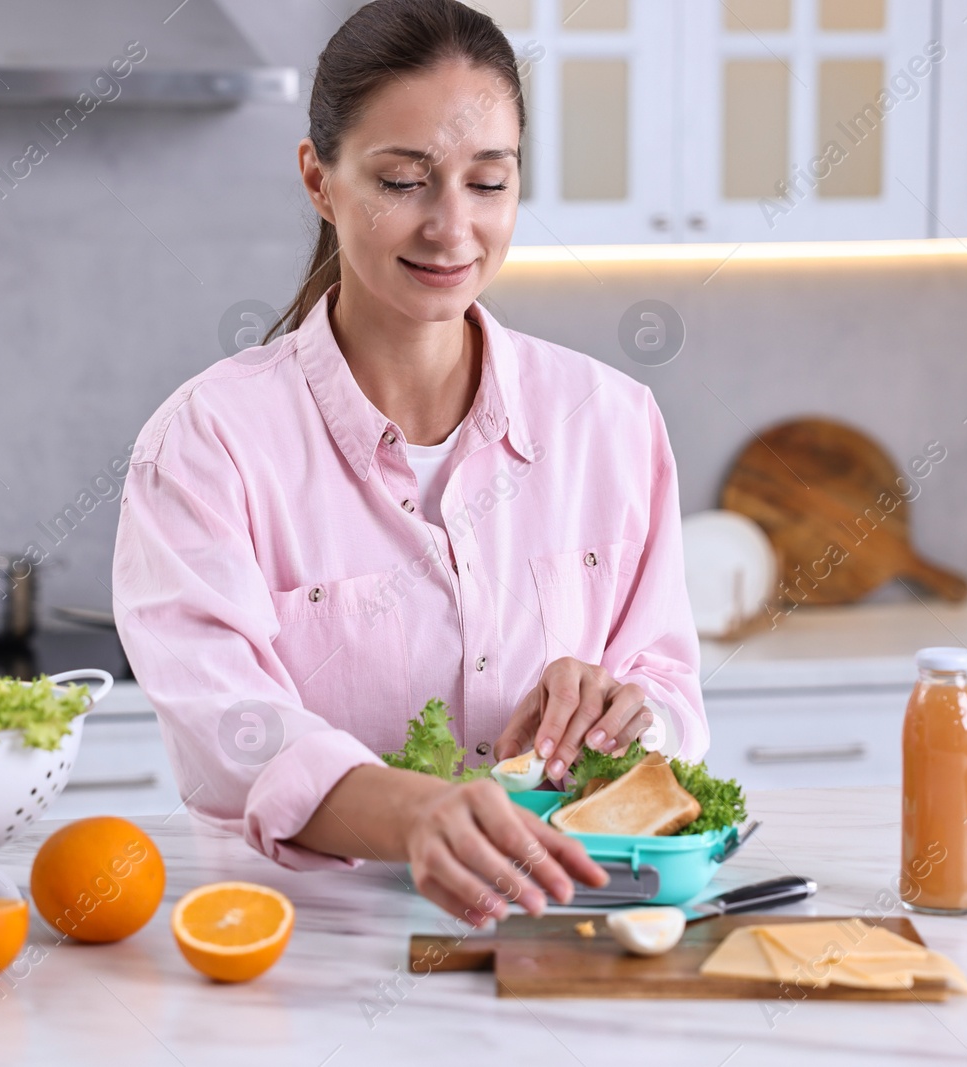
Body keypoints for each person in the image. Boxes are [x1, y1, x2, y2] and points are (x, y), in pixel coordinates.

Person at [112, 0, 707, 927]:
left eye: (488, 183)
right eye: (404, 180)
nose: (452, 228)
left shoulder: (613, 425)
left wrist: (629, 716)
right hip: (296, 952)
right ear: (319, 178)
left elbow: (670, 693)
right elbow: (232, 728)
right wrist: (420, 814)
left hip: (556, 938)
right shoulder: (207, 443)